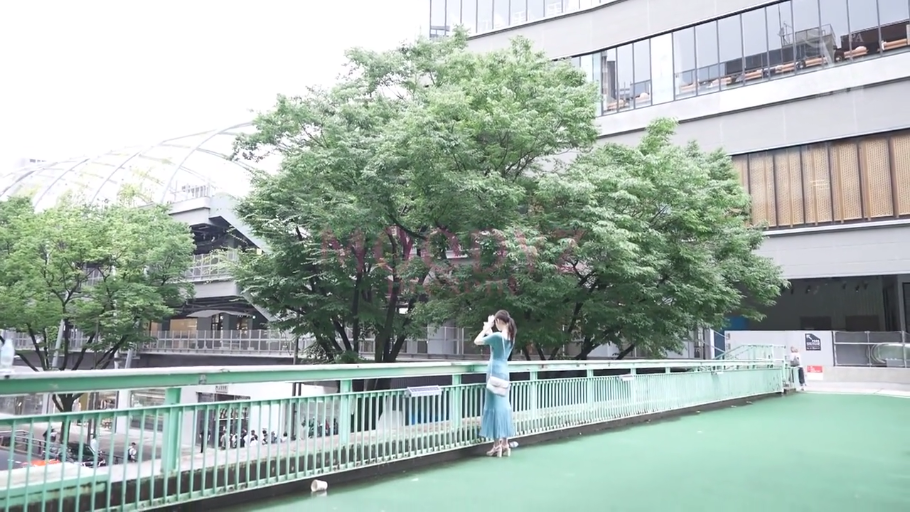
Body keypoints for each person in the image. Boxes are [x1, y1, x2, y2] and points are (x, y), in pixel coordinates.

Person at [473, 309, 517, 457]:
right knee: (504, 406)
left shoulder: (498, 336)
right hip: (504, 372)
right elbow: (496, 344)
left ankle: (496, 445)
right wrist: (490, 330)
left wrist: (486, 328)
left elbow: (477, 341)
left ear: (498, 321)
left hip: (494, 372)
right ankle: (505, 444)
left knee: (493, 407)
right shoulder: (510, 336)